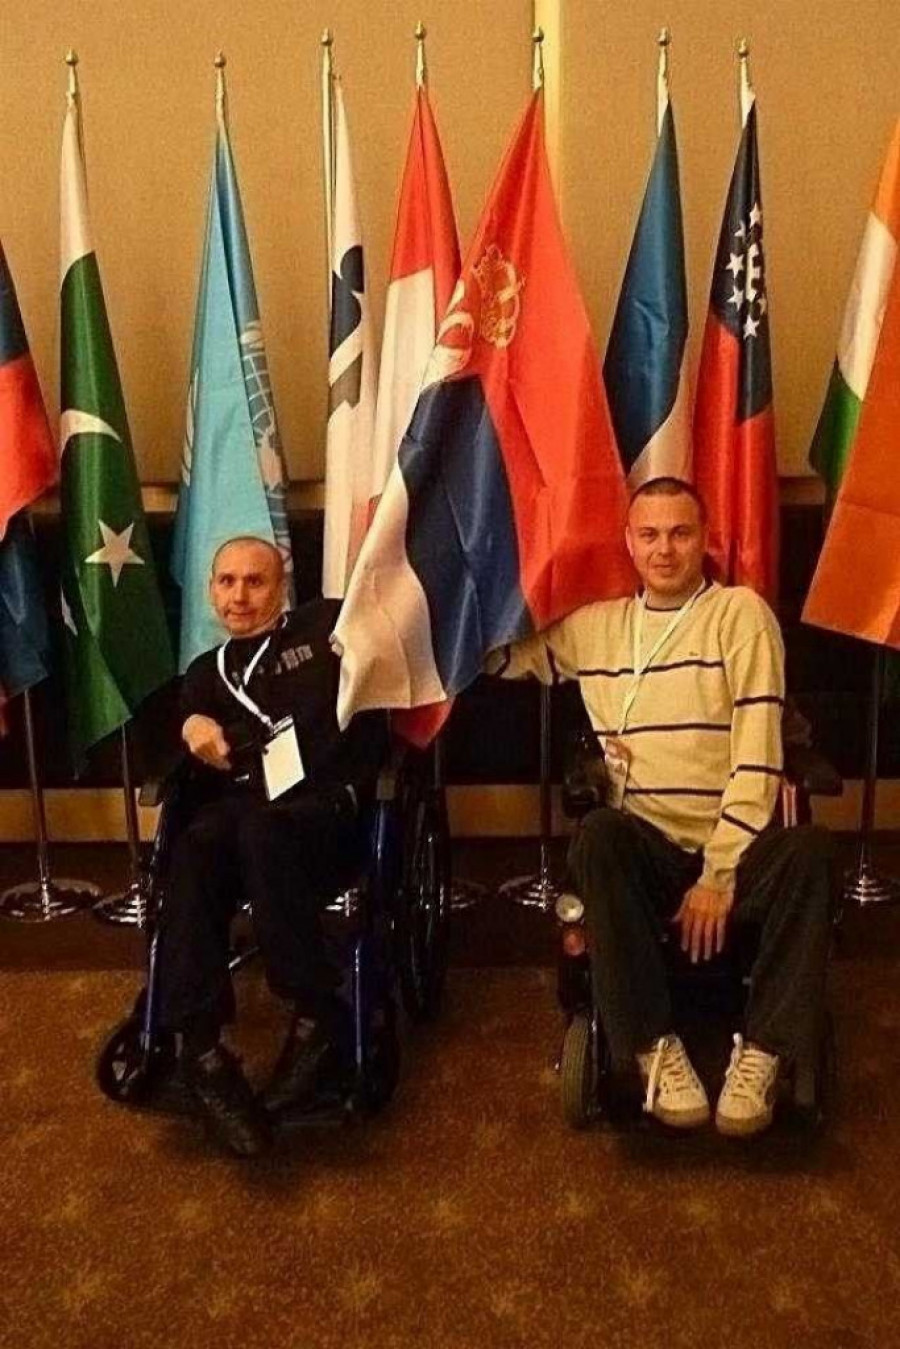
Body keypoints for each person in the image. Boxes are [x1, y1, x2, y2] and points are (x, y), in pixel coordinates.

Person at [491, 477, 835, 1137]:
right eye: (649, 534)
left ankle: (763, 1053)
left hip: (734, 850)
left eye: (680, 533)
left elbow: (759, 759)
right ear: (629, 542)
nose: (664, 549)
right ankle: (653, 1048)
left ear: (705, 539)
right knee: (597, 834)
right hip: (648, 849)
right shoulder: (597, 627)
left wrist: (719, 874)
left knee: (812, 852)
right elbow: (499, 657)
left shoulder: (739, 615)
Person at [157, 536, 388, 1156]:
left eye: (255, 581)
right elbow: (188, 725)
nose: (239, 596)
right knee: (194, 846)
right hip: (245, 818)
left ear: (282, 587)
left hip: (325, 813)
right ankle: (201, 1052)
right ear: (210, 592)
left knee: (261, 829)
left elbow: (388, 608)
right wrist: (191, 723)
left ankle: (317, 1014)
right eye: (226, 582)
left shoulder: (326, 630)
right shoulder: (206, 673)